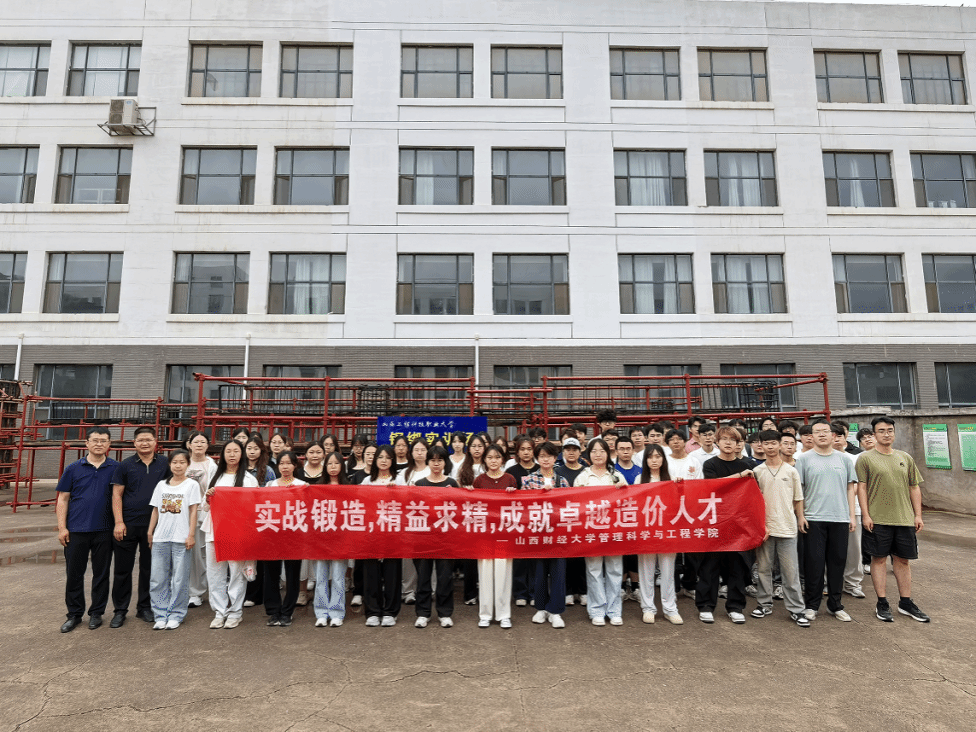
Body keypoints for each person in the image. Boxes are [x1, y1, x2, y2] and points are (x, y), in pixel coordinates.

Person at [856, 417, 929, 623]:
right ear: (874, 434)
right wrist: (866, 515)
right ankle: (882, 602)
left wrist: (917, 514)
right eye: (881, 431)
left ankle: (905, 602)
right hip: (877, 519)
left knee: (903, 560)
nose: (886, 434)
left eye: (889, 430)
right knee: (878, 560)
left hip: (904, 519)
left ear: (894, 433)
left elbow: (914, 487)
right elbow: (862, 488)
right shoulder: (865, 459)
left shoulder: (905, 457)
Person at [56, 427, 120, 633]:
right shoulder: (73, 468)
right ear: (87, 443)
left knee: (101, 574)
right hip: (76, 530)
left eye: (103, 440)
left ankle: (96, 613)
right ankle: (74, 614)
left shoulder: (116, 468)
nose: (99, 444)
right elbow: (63, 499)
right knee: (74, 574)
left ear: (109, 444)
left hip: (104, 530)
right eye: (95, 440)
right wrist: (62, 528)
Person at [794, 419, 857, 623]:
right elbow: (799, 490)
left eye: (825, 431)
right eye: (816, 431)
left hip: (839, 518)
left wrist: (851, 516)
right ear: (810, 436)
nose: (821, 434)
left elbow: (850, 488)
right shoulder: (804, 459)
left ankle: (835, 605)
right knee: (814, 563)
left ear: (833, 435)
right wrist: (801, 516)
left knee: (838, 563)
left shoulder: (844, 459)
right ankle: (812, 605)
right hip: (813, 518)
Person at [110, 426, 171, 628]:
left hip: (155, 526)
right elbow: (117, 494)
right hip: (127, 524)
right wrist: (119, 522)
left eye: (148, 439)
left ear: (155, 442)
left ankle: (144, 607)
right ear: (134, 443)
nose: (145, 443)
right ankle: (120, 610)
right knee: (122, 570)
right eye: (141, 440)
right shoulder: (125, 465)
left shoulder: (165, 464)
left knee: (149, 569)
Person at [750, 431, 809, 627]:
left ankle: (797, 609)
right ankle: (764, 605)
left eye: (774, 443)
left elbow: (798, 498)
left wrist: (800, 518)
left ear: (780, 445)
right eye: (766, 443)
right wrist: (760, 526)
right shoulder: (757, 471)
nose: (770, 447)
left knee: (790, 571)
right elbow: (754, 502)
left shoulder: (791, 471)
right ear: (761, 445)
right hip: (765, 529)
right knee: (764, 569)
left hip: (787, 527)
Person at [698, 426, 755, 625]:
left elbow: (753, 497)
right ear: (717, 442)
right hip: (715, 521)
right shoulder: (710, 464)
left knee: (737, 567)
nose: (728, 443)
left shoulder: (747, 465)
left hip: (738, 523)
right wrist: (739, 477)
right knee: (710, 566)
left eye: (733, 439)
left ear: (739, 443)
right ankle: (706, 606)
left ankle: (735, 607)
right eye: (724, 439)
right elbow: (714, 486)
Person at [203, 440, 258, 630]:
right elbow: (204, 506)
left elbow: (254, 508)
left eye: (236, 451)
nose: (232, 454)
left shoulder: (249, 479)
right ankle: (219, 612)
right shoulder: (215, 476)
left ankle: (235, 612)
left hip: (237, 532)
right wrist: (208, 498)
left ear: (242, 454)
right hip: (214, 531)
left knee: (236, 574)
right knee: (215, 574)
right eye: (228, 451)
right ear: (223, 454)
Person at [575, 438, 627, 626]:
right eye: (594, 451)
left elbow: (627, 502)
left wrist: (622, 490)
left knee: (615, 570)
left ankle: (614, 610)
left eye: (602, 450)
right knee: (594, 571)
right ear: (588, 454)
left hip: (613, 531)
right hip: (591, 531)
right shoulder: (583, 477)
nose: (598, 454)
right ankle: (597, 609)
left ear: (608, 453)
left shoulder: (616, 476)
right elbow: (575, 504)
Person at [147, 449, 201, 630]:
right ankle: (160, 614)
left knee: (180, 579)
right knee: (158, 578)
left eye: (182, 462)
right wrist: (150, 532)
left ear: (188, 464)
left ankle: (176, 614)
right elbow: (155, 510)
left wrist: (191, 534)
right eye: (175, 462)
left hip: (181, 538)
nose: (178, 466)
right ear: (170, 464)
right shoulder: (161, 485)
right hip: (161, 537)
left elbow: (193, 511)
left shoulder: (192, 485)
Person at [521, 442, 570, 629]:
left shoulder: (562, 481)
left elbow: (569, 507)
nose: (545, 459)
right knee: (539, 572)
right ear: (537, 458)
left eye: (549, 456)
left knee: (558, 572)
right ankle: (540, 608)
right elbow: (523, 506)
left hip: (557, 534)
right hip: (537, 533)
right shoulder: (529, 480)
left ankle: (556, 611)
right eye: (541, 456)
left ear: (555, 458)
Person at [411, 446, 460, 629]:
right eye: (433, 460)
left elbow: (459, 512)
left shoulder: (452, 483)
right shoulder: (419, 484)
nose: (436, 464)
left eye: (440, 460)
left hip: (445, 538)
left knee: (445, 577)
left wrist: (456, 495)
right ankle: (422, 613)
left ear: (445, 462)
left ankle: (445, 613)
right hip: (423, 538)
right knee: (423, 577)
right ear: (428, 462)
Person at [635, 445, 683, 625]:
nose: (654, 460)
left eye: (658, 456)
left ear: (663, 458)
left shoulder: (672, 478)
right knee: (646, 571)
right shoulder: (640, 479)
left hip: (667, 532)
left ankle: (670, 608)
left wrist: (680, 486)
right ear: (645, 460)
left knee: (668, 572)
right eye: (650, 457)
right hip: (646, 532)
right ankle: (648, 608)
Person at [471, 444, 518, 628]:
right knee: (485, 573)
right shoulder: (479, 480)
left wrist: (513, 494)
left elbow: (518, 506)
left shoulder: (510, 479)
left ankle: (504, 614)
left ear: (503, 460)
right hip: (484, 533)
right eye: (490, 457)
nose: (493, 461)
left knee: (503, 573)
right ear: (484, 460)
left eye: (497, 457)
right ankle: (485, 614)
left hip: (504, 533)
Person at [262, 451, 308, 627]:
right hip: (273, 534)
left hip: (294, 535)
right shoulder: (270, 485)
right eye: (281, 463)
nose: (285, 467)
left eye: (289, 463)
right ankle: (274, 611)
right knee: (271, 574)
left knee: (292, 574)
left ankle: (287, 611)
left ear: (295, 465)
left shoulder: (302, 485)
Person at [361, 445, 402, 627]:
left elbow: (409, 503)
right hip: (371, 533)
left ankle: (390, 612)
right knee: (371, 574)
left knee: (392, 573)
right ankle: (372, 611)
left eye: (387, 457)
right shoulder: (367, 481)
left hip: (393, 533)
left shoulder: (399, 479)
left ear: (392, 460)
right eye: (380, 457)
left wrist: (397, 491)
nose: (384, 461)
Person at [312, 451, 348, 627]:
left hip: (341, 538)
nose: (333, 467)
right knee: (320, 577)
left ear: (342, 466)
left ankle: (337, 612)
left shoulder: (349, 487)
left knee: (339, 578)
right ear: (325, 466)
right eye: (329, 463)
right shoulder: (317, 487)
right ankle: (321, 612)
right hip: (321, 538)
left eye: (336, 463)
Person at [184, 430, 217, 608]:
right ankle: (188, 590)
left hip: (202, 514)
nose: (199, 444)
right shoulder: (183, 462)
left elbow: (212, 490)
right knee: (187, 554)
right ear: (188, 444)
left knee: (201, 554)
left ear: (207, 445)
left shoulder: (211, 465)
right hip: (182, 514)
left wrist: (202, 509)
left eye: (202, 442)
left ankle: (199, 591)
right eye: (195, 441)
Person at [556, 436, 587, 607]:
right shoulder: (558, 472)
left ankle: (582, 591)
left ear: (580, 452)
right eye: (567, 449)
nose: (571, 452)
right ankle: (567, 591)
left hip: (583, 520)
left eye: (574, 449)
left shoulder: (586, 471)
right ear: (563, 452)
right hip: (564, 520)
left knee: (582, 558)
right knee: (566, 558)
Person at [506, 435, 537, 606]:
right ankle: (520, 594)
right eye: (522, 449)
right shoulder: (511, 472)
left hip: (537, 520)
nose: (526, 452)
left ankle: (534, 592)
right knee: (519, 558)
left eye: (529, 449)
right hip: (518, 520)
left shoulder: (541, 469)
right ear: (517, 452)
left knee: (535, 558)